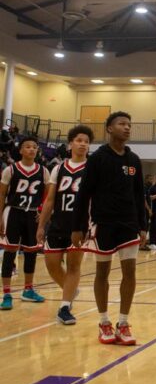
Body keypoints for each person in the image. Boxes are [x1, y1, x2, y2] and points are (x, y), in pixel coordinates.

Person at [73, 112, 147, 345]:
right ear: (109, 128)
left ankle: (123, 323)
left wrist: (143, 226)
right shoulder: (98, 158)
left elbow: (138, 194)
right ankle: (104, 321)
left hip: (128, 223)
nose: (127, 128)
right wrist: (78, 226)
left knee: (130, 272)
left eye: (129, 124)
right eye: (122, 124)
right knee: (102, 273)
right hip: (103, 223)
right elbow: (84, 193)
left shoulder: (134, 160)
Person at [36, 125, 93, 324]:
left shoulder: (92, 168)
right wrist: (41, 225)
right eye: (79, 140)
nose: (83, 144)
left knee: (73, 266)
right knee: (51, 265)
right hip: (59, 221)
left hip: (80, 224)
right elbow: (50, 199)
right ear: (70, 143)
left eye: (86, 141)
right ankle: (70, 291)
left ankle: (64, 306)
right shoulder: (59, 168)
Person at [0, 136, 50, 310]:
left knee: (31, 253)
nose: (31, 149)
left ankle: (28, 290)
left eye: (34, 147)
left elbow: (48, 196)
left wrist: (43, 213)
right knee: (9, 253)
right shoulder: (10, 170)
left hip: (32, 215)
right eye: (27, 146)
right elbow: (1, 195)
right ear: (20, 150)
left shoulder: (44, 171)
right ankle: (6, 293)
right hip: (13, 212)